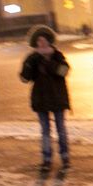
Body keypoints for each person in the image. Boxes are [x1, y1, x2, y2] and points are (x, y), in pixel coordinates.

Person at [20, 26, 71, 172]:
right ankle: (46, 159)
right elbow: (24, 78)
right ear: (35, 43)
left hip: (58, 98)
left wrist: (49, 62)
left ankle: (65, 157)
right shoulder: (32, 58)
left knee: (61, 129)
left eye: (44, 40)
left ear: (49, 41)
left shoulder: (58, 56)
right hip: (41, 99)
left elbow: (64, 71)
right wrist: (33, 61)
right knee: (45, 131)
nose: (41, 43)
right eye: (39, 41)